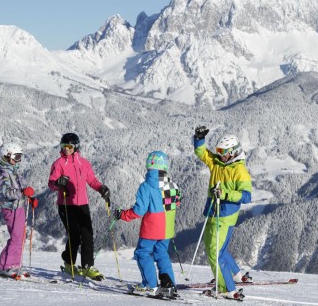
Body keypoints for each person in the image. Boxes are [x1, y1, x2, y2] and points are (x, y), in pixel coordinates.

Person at [193, 126, 252, 300]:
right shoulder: (217, 163)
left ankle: (226, 287)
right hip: (213, 210)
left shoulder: (240, 171)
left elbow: (247, 196)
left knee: (214, 251)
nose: (219, 154)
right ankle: (235, 275)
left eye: (223, 152)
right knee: (219, 248)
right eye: (218, 151)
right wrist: (199, 139)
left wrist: (225, 194)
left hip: (225, 214)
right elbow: (201, 152)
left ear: (233, 152)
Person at [113, 151, 181, 296]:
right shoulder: (171, 184)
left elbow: (139, 211)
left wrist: (122, 214)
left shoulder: (146, 186)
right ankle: (169, 284)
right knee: (161, 253)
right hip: (167, 229)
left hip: (152, 228)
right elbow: (177, 203)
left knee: (142, 253)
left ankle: (150, 284)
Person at [48, 133, 110, 281]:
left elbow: (92, 180)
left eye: (69, 147)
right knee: (74, 235)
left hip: (82, 204)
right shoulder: (58, 164)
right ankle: (69, 263)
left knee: (87, 235)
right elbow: (51, 183)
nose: (66, 149)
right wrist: (58, 184)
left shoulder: (84, 163)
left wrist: (101, 188)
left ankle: (87, 266)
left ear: (76, 147)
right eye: (63, 147)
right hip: (66, 205)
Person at [0, 142, 38, 278]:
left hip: (19, 206)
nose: (18, 160)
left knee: (19, 238)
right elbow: (6, 191)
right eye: (16, 157)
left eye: (20, 157)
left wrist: (29, 197)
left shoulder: (12, 170)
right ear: (7, 156)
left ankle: (11, 264)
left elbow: (22, 187)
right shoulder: (2, 172)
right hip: (11, 208)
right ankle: (7, 266)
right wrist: (23, 193)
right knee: (16, 237)